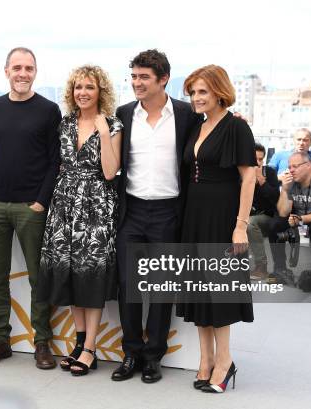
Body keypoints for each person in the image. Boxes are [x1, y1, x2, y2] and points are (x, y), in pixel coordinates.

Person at [112, 49, 202, 384]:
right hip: (132, 211)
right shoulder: (123, 113)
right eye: (134, 76)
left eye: (143, 77)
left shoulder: (186, 114)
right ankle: (131, 353)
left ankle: (153, 358)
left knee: (162, 288)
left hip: (168, 213)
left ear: (163, 79)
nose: (136, 83)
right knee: (128, 287)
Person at [0, 47, 62, 369]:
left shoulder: (49, 110)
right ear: (6, 71)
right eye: (17, 67)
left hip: (31, 207)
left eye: (28, 68)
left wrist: (41, 201)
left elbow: (55, 161)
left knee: (39, 278)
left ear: (35, 72)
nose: (22, 73)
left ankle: (42, 342)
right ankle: (1, 340)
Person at [176, 64, 256, 393]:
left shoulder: (235, 128)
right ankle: (205, 359)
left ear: (219, 92)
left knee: (219, 292)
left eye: (203, 91)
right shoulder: (199, 125)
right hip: (194, 216)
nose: (196, 98)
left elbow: (249, 176)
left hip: (222, 217)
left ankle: (224, 360)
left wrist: (240, 226)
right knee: (198, 291)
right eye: (193, 92)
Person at [37, 65, 122, 376]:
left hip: (96, 207)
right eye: (78, 87)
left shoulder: (113, 125)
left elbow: (111, 171)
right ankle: (79, 342)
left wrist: (102, 131)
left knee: (91, 275)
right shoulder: (65, 124)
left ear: (101, 91)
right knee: (71, 274)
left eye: (89, 87)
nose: (83, 92)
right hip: (64, 204)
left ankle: (90, 349)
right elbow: (53, 163)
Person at [267, 151, 311, 291]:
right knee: (275, 224)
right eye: (289, 167)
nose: (290, 170)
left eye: (295, 166)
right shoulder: (291, 182)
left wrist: (300, 219)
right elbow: (283, 212)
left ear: (308, 166)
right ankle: (280, 268)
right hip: (299, 219)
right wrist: (285, 190)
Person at [248, 143, 279, 280]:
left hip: (266, 216)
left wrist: (261, 180)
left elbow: (275, 198)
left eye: (261, 159)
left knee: (250, 223)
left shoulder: (269, 173)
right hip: (244, 214)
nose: (257, 162)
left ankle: (261, 266)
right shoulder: (239, 173)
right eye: (254, 159)